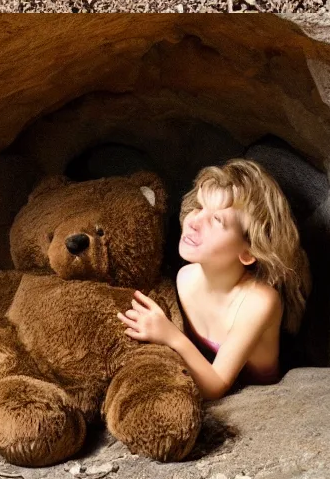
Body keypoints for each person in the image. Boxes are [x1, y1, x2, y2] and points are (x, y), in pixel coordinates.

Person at [117, 159, 310, 396]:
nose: (194, 221)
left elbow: (216, 385)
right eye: (198, 207)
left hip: (261, 401)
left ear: (249, 252)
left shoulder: (260, 301)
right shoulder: (185, 277)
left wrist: (169, 335)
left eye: (217, 220)